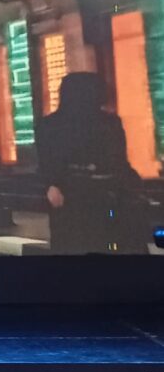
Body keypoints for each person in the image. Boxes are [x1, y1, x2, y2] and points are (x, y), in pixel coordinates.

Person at [36, 71, 146, 254]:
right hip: (104, 194)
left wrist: (52, 185)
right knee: (110, 241)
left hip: (70, 197)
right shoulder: (109, 123)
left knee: (73, 244)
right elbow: (119, 160)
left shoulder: (49, 125)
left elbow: (46, 161)